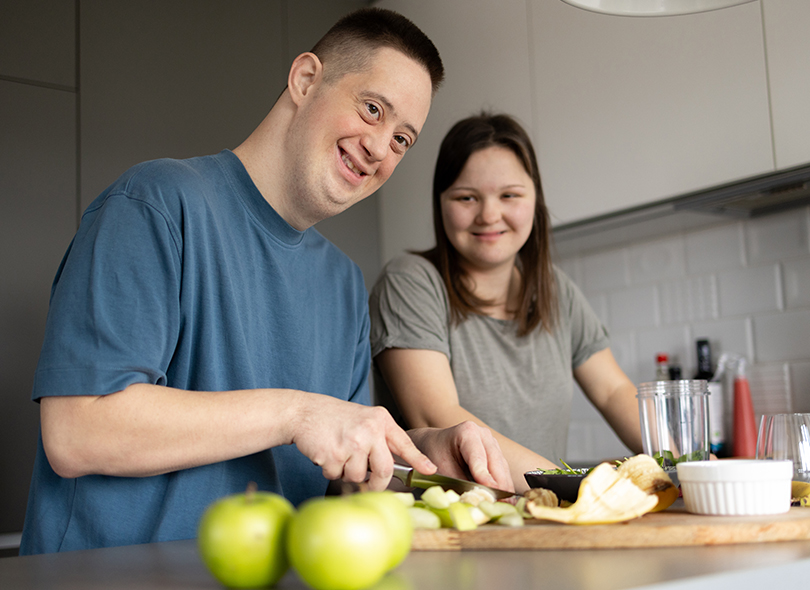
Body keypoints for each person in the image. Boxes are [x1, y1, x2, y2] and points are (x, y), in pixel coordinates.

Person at [20, 9, 512, 555]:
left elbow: (340, 481)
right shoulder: (155, 204)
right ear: (305, 80)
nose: (379, 147)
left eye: (401, 140)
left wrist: (418, 455)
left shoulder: (345, 285)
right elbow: (77, 431)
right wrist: (297, 413)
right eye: (371, 109)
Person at [369, 113, 642, 494]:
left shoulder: (555, 290)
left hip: (537, 521)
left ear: (535, 200)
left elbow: (613, 390)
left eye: (509, 195)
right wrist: (570, 488)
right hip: (447, 530)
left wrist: (682, 459)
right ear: (441, 204)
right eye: (467, 198)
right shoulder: (409, 282)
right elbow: (438, 416)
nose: (489, 215)